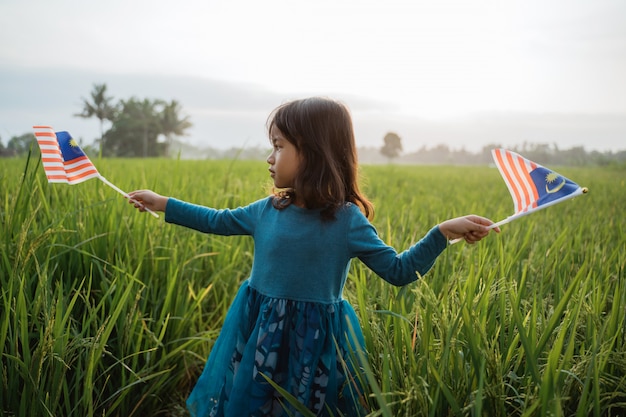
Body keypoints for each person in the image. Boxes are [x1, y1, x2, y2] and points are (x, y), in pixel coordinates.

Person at [128, 97, 499, 417]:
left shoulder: (346, 221)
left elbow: (399, 270)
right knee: (251, 402)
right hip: (260, 333)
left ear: (313, 152)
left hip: (314, 342)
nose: (269, 158)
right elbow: (216, 220)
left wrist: (441, 233)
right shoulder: (266, 210)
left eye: (279, 146)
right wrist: (163, 203)